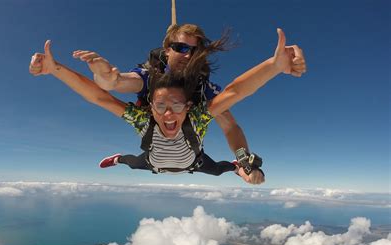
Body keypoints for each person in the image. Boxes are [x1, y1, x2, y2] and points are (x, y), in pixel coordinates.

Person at [29, 29, 305, 179]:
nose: (187, 55)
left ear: (188, 106)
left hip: (191, 161)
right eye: (181, 48)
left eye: (194, 51)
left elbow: (234, 103)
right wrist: (102, 73)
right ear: (167, 49)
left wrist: (243, 160)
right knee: (130, 161)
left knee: (222, 169)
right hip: (155, 162)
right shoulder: (147, 78)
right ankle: (118, 158)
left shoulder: (202, 96)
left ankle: (235, 167)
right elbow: (108, 89)